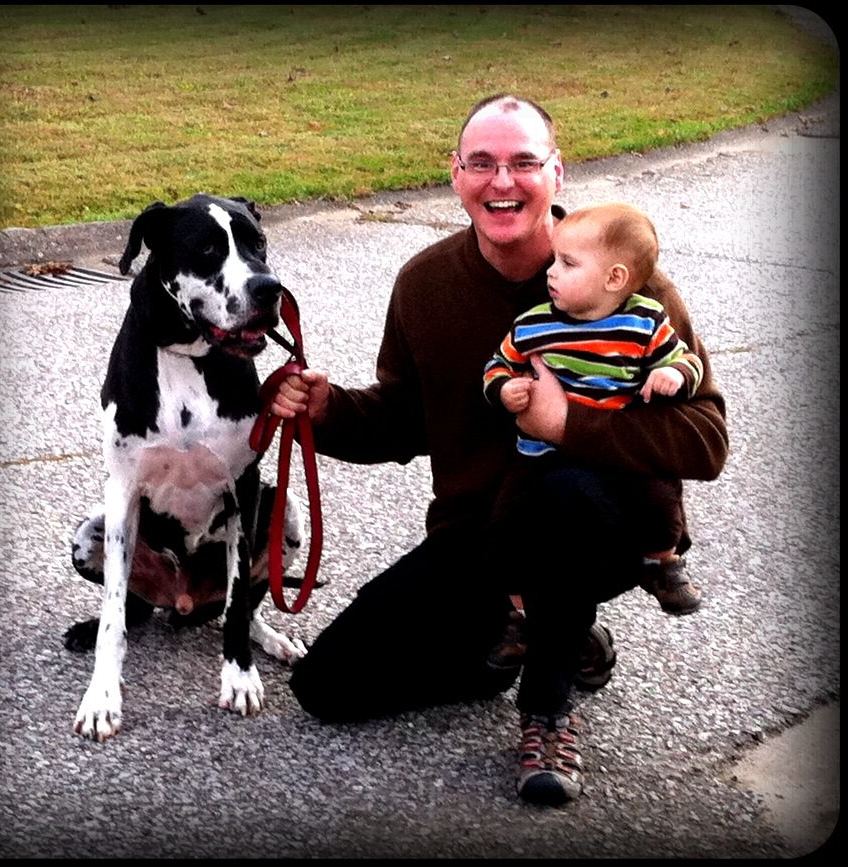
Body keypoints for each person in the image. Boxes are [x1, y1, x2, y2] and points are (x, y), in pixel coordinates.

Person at [271, 94, 727, 805]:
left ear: (556, 173)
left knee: (562, 490)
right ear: (455, 175)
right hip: (480, 540)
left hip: (601, 529)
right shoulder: (424, 283)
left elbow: (706, 438)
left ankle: (546, 712)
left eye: (522, 163)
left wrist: (567, 425)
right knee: (326, 687)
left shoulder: (625, 282)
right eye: (481, 163)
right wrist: (326, 412)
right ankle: (559, 635)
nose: (502, 182)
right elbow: (402, 421)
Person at [484, 202, 705, 618]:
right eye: (553, 260)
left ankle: (662, 559)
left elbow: (686, 361)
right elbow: (499, 363)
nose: (550, 272)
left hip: (615, 456)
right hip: (540, 459)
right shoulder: (534, 324)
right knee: (507, 525)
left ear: (614, 278)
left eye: (567, 263)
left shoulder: (644, 320)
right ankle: (518, 614)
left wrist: (673, 375)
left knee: (659, 492)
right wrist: (503, 389)